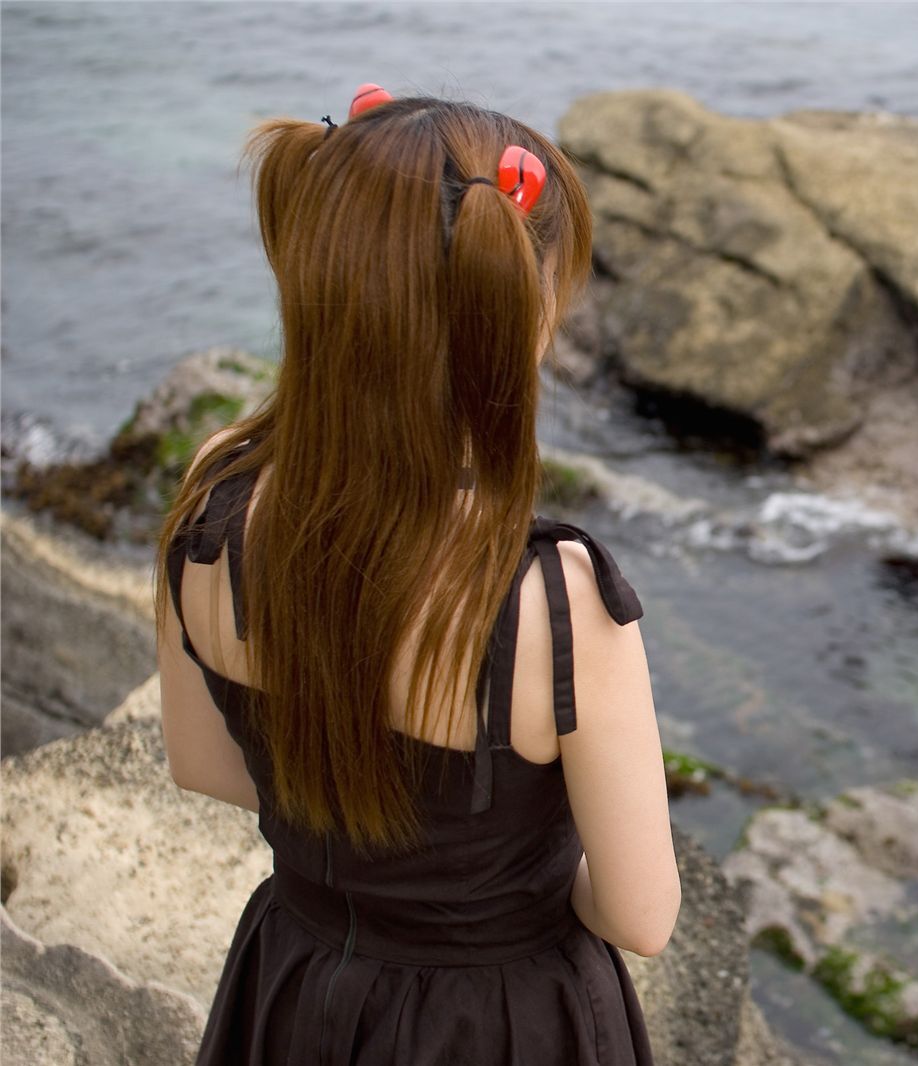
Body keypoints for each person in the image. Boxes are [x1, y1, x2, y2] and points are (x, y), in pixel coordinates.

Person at [154, 83, 678, 1066]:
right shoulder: (550, 597)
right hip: (505, 1020)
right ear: (516, 315)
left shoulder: (213, 503)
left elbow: (204, 764)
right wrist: (513, 879)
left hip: (297, 985)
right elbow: (642, 914)